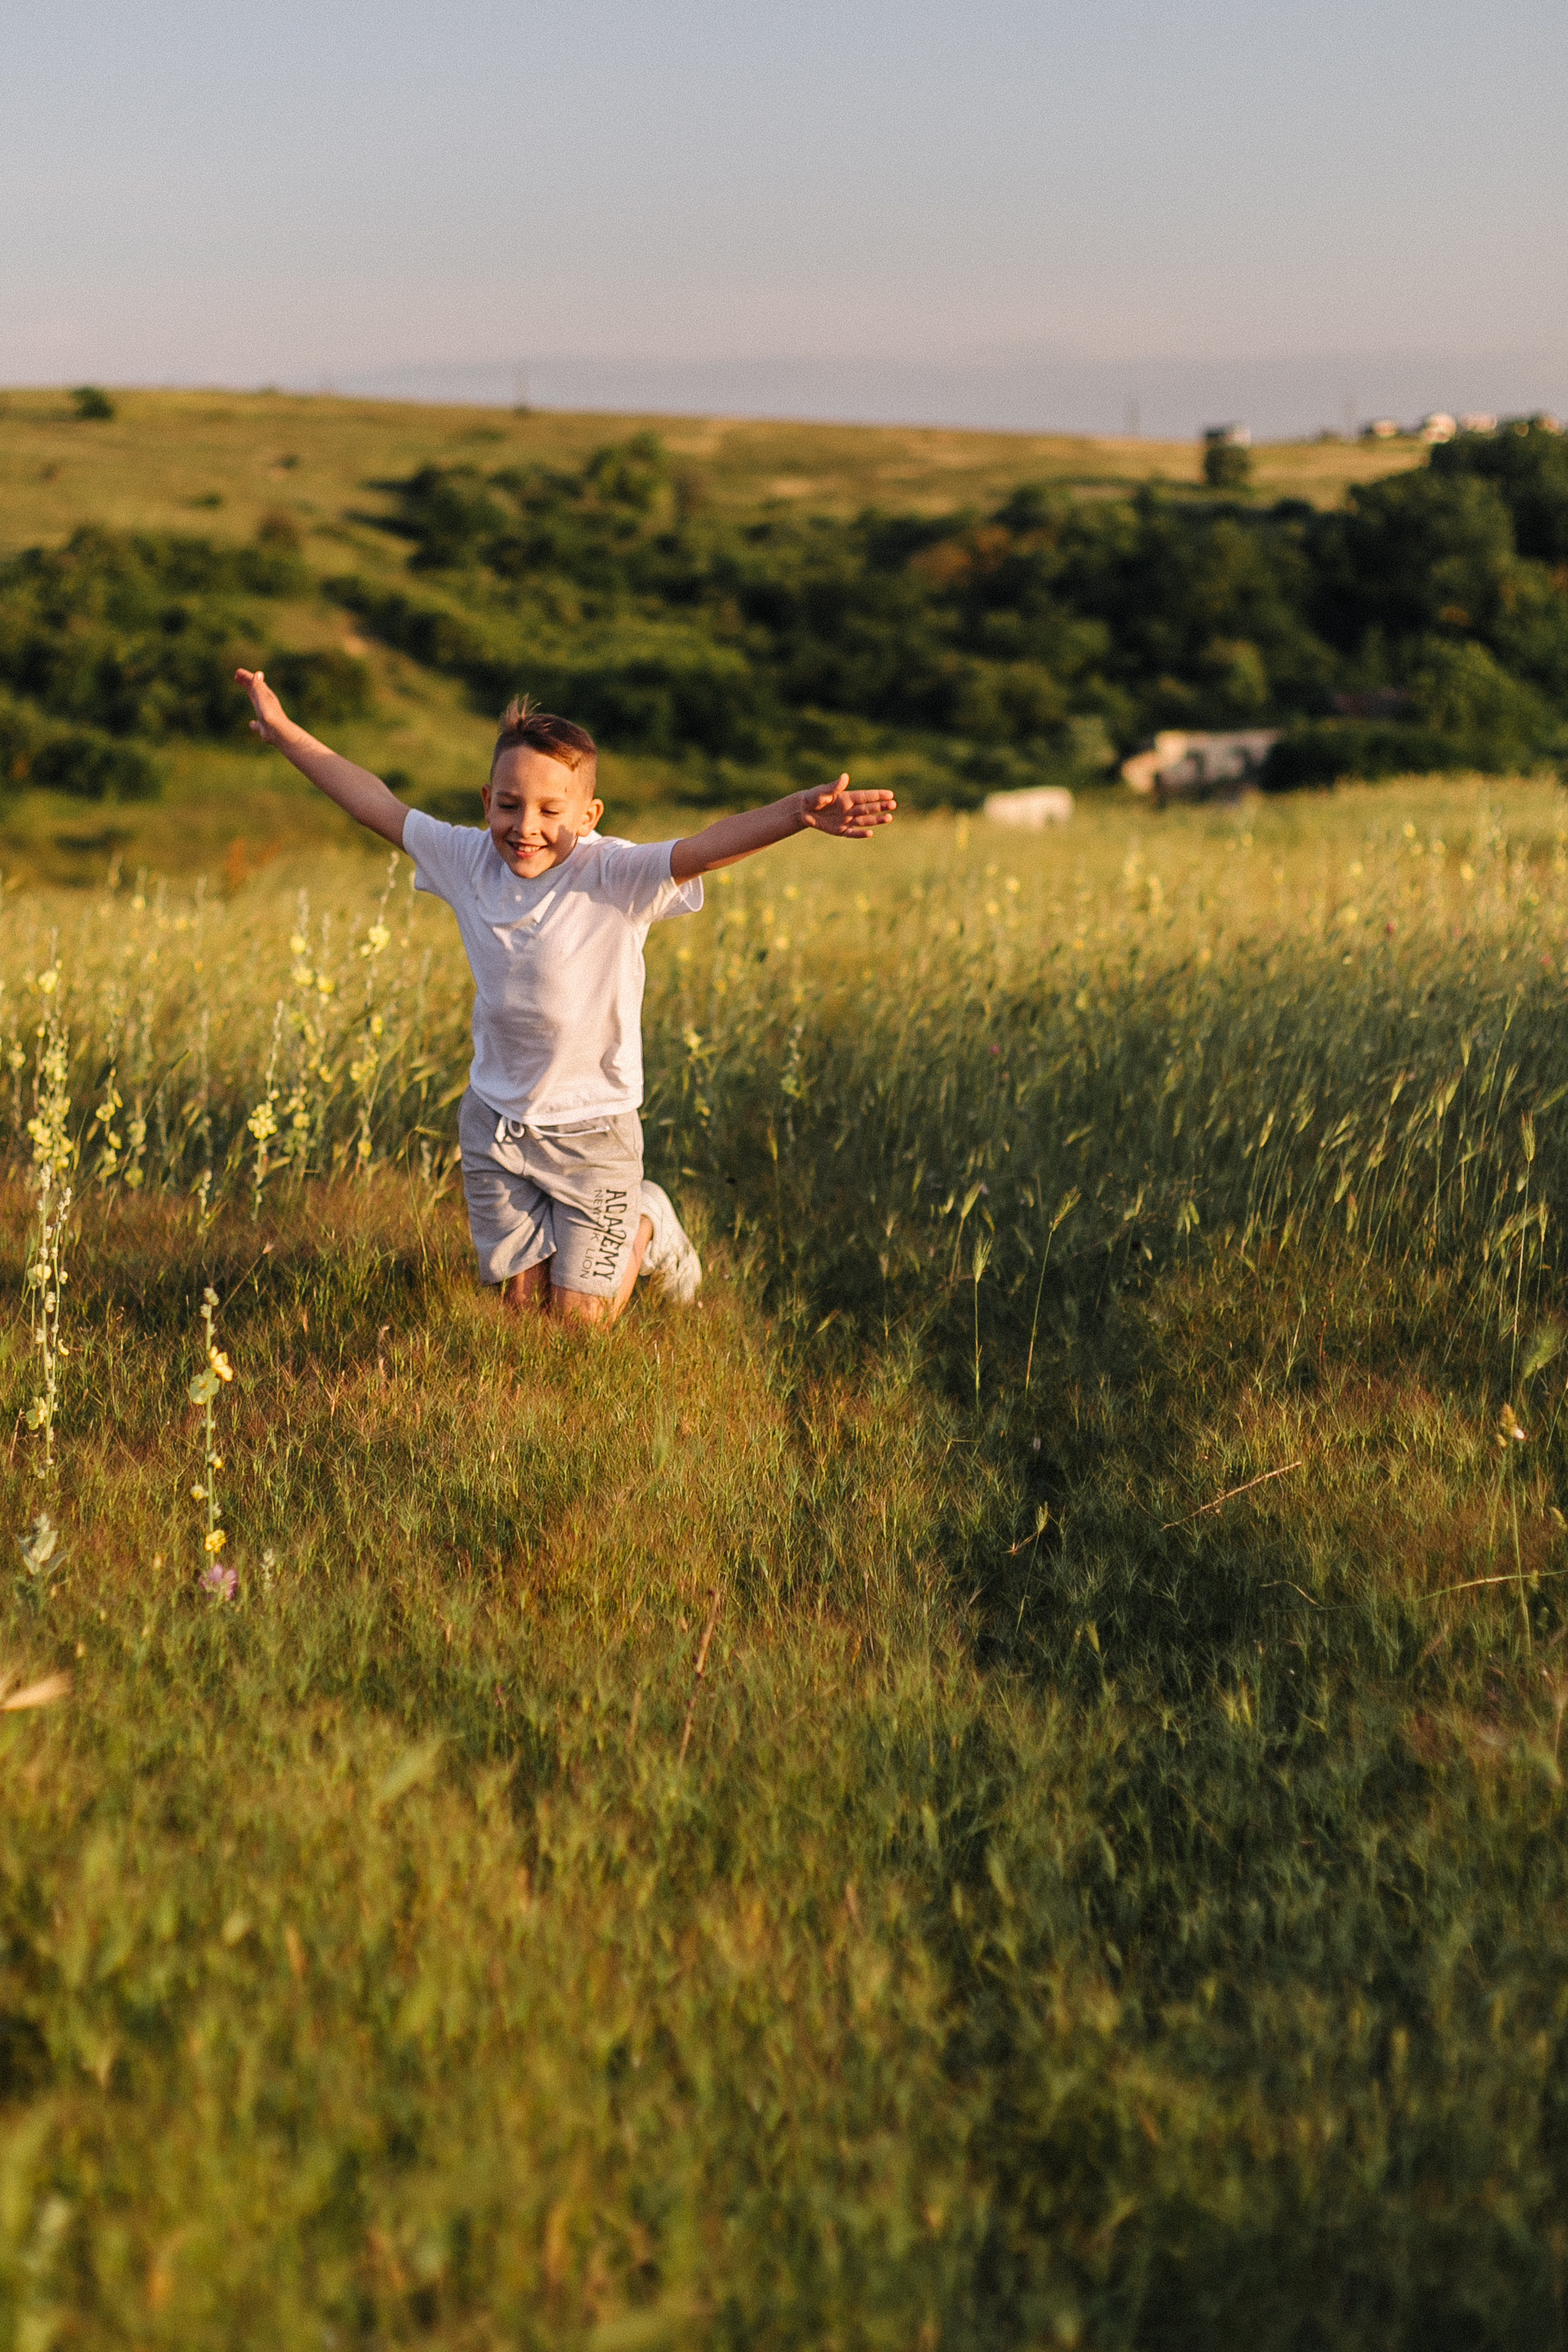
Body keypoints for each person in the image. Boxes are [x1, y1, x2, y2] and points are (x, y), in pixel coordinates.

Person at [235, 669, 896, 1322]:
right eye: (509, 805)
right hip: (496, 1123)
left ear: (589, 814)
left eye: (552, 811)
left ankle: (646, 1219)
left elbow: (703, 849)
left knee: (578, 1325)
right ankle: (574, 1243)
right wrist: (287, 732)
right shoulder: (467, 860)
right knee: (522, 1309)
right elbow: (372, 802)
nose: (527, 826)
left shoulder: (613, 872)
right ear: (487, 798)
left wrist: (796, 815)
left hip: (593, 1131)